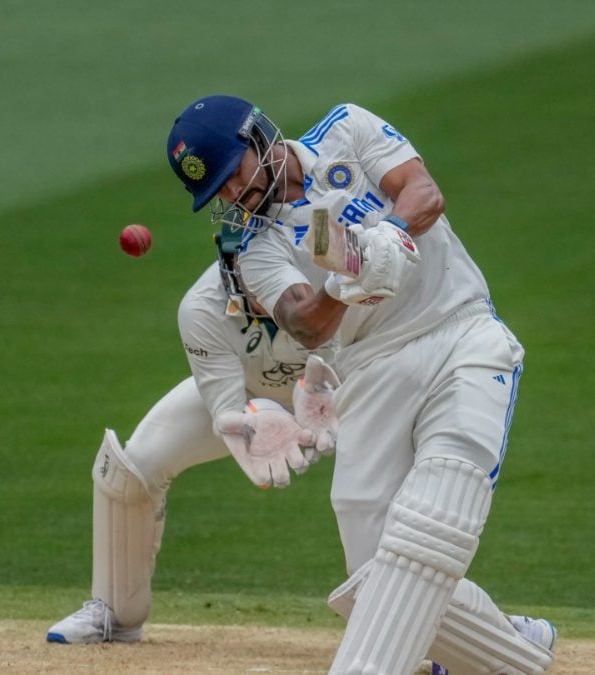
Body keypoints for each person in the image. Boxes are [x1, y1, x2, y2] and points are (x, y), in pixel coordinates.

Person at [165, 95, 556, 673]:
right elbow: (305, 323)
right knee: (372, 569)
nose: (231, 196)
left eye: (231, 175)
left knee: (433, 518)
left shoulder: (346, 129)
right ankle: (515, 651)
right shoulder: (254, 246)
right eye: (216, 193)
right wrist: (344, 287)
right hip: (371, 366)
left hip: (458, 330)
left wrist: (389, 238)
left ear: (260, 137)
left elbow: (423, 193)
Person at [46, 224, 341, 644]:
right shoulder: (204, 305)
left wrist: (337, 412)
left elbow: (373, 362)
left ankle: (418, 628)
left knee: (373, 490)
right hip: (249, 395)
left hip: (346, 398)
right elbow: (225, 409)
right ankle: (115, 611)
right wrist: (259, 425)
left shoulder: (326, 283)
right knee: (138, 463)